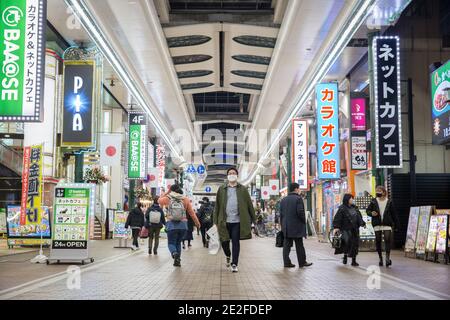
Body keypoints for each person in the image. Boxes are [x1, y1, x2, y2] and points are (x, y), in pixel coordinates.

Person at [213, 167, 256, 273]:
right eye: (230, 173)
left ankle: (234, 263)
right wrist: (215, 222)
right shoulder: (222, 189)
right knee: (224, 242)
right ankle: (228, 255)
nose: (232, 174)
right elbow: (217, 206)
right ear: (227, 176)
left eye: (234, 173)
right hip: (224, 221)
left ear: (237, 175)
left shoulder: (243, 189)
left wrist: (254, 220)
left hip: (237, 221)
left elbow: (249, 205)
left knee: (236, 242)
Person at [159, 184, 200, 267]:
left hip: (171, 225)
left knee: (171, 242)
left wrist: (167, 192)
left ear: (172, 191)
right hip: (183, 225)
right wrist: (197, 223)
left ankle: (174, 254)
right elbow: (191, 213)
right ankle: (177, 261)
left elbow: (159, 200)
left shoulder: (168, 198)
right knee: (178, 243)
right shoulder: (185, 199)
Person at [280, 183, 313, 268]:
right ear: (296, 189)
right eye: (299, 188)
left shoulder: (283, 200)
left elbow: (281, 214)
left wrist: (282, 225)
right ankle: (302, 262)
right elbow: (300, 212)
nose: (299, 190)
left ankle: (286, 263)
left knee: (286, 245)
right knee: (299, 245)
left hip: (286, 227)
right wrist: (304, 221)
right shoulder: (298, 199)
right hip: (296, 226)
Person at [366, 186, 400, 267]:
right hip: (377, 223)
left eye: (379, 191)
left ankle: (387, 258)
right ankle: (380, 258)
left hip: (387, 223)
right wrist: (371, 213)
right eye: (377, 191)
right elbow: (367, 211)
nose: (378, 192)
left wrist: (397, 225)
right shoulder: (373, 201)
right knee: (378, 240)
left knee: (388, 240)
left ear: (384, 192)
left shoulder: (389, 202)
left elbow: (394, 214)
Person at [332, 194, 366, 266]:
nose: (352, 200)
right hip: (345, 229)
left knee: (355, 245)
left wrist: (362, 223)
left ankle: (354, 260)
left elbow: (359, 217)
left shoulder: (355, 208)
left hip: (355, 229)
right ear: (347, 199)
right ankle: (345, 256)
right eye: (351, 198)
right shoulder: (342, 208)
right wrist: (336, 227)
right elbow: (337, 218)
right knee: (347, 243)